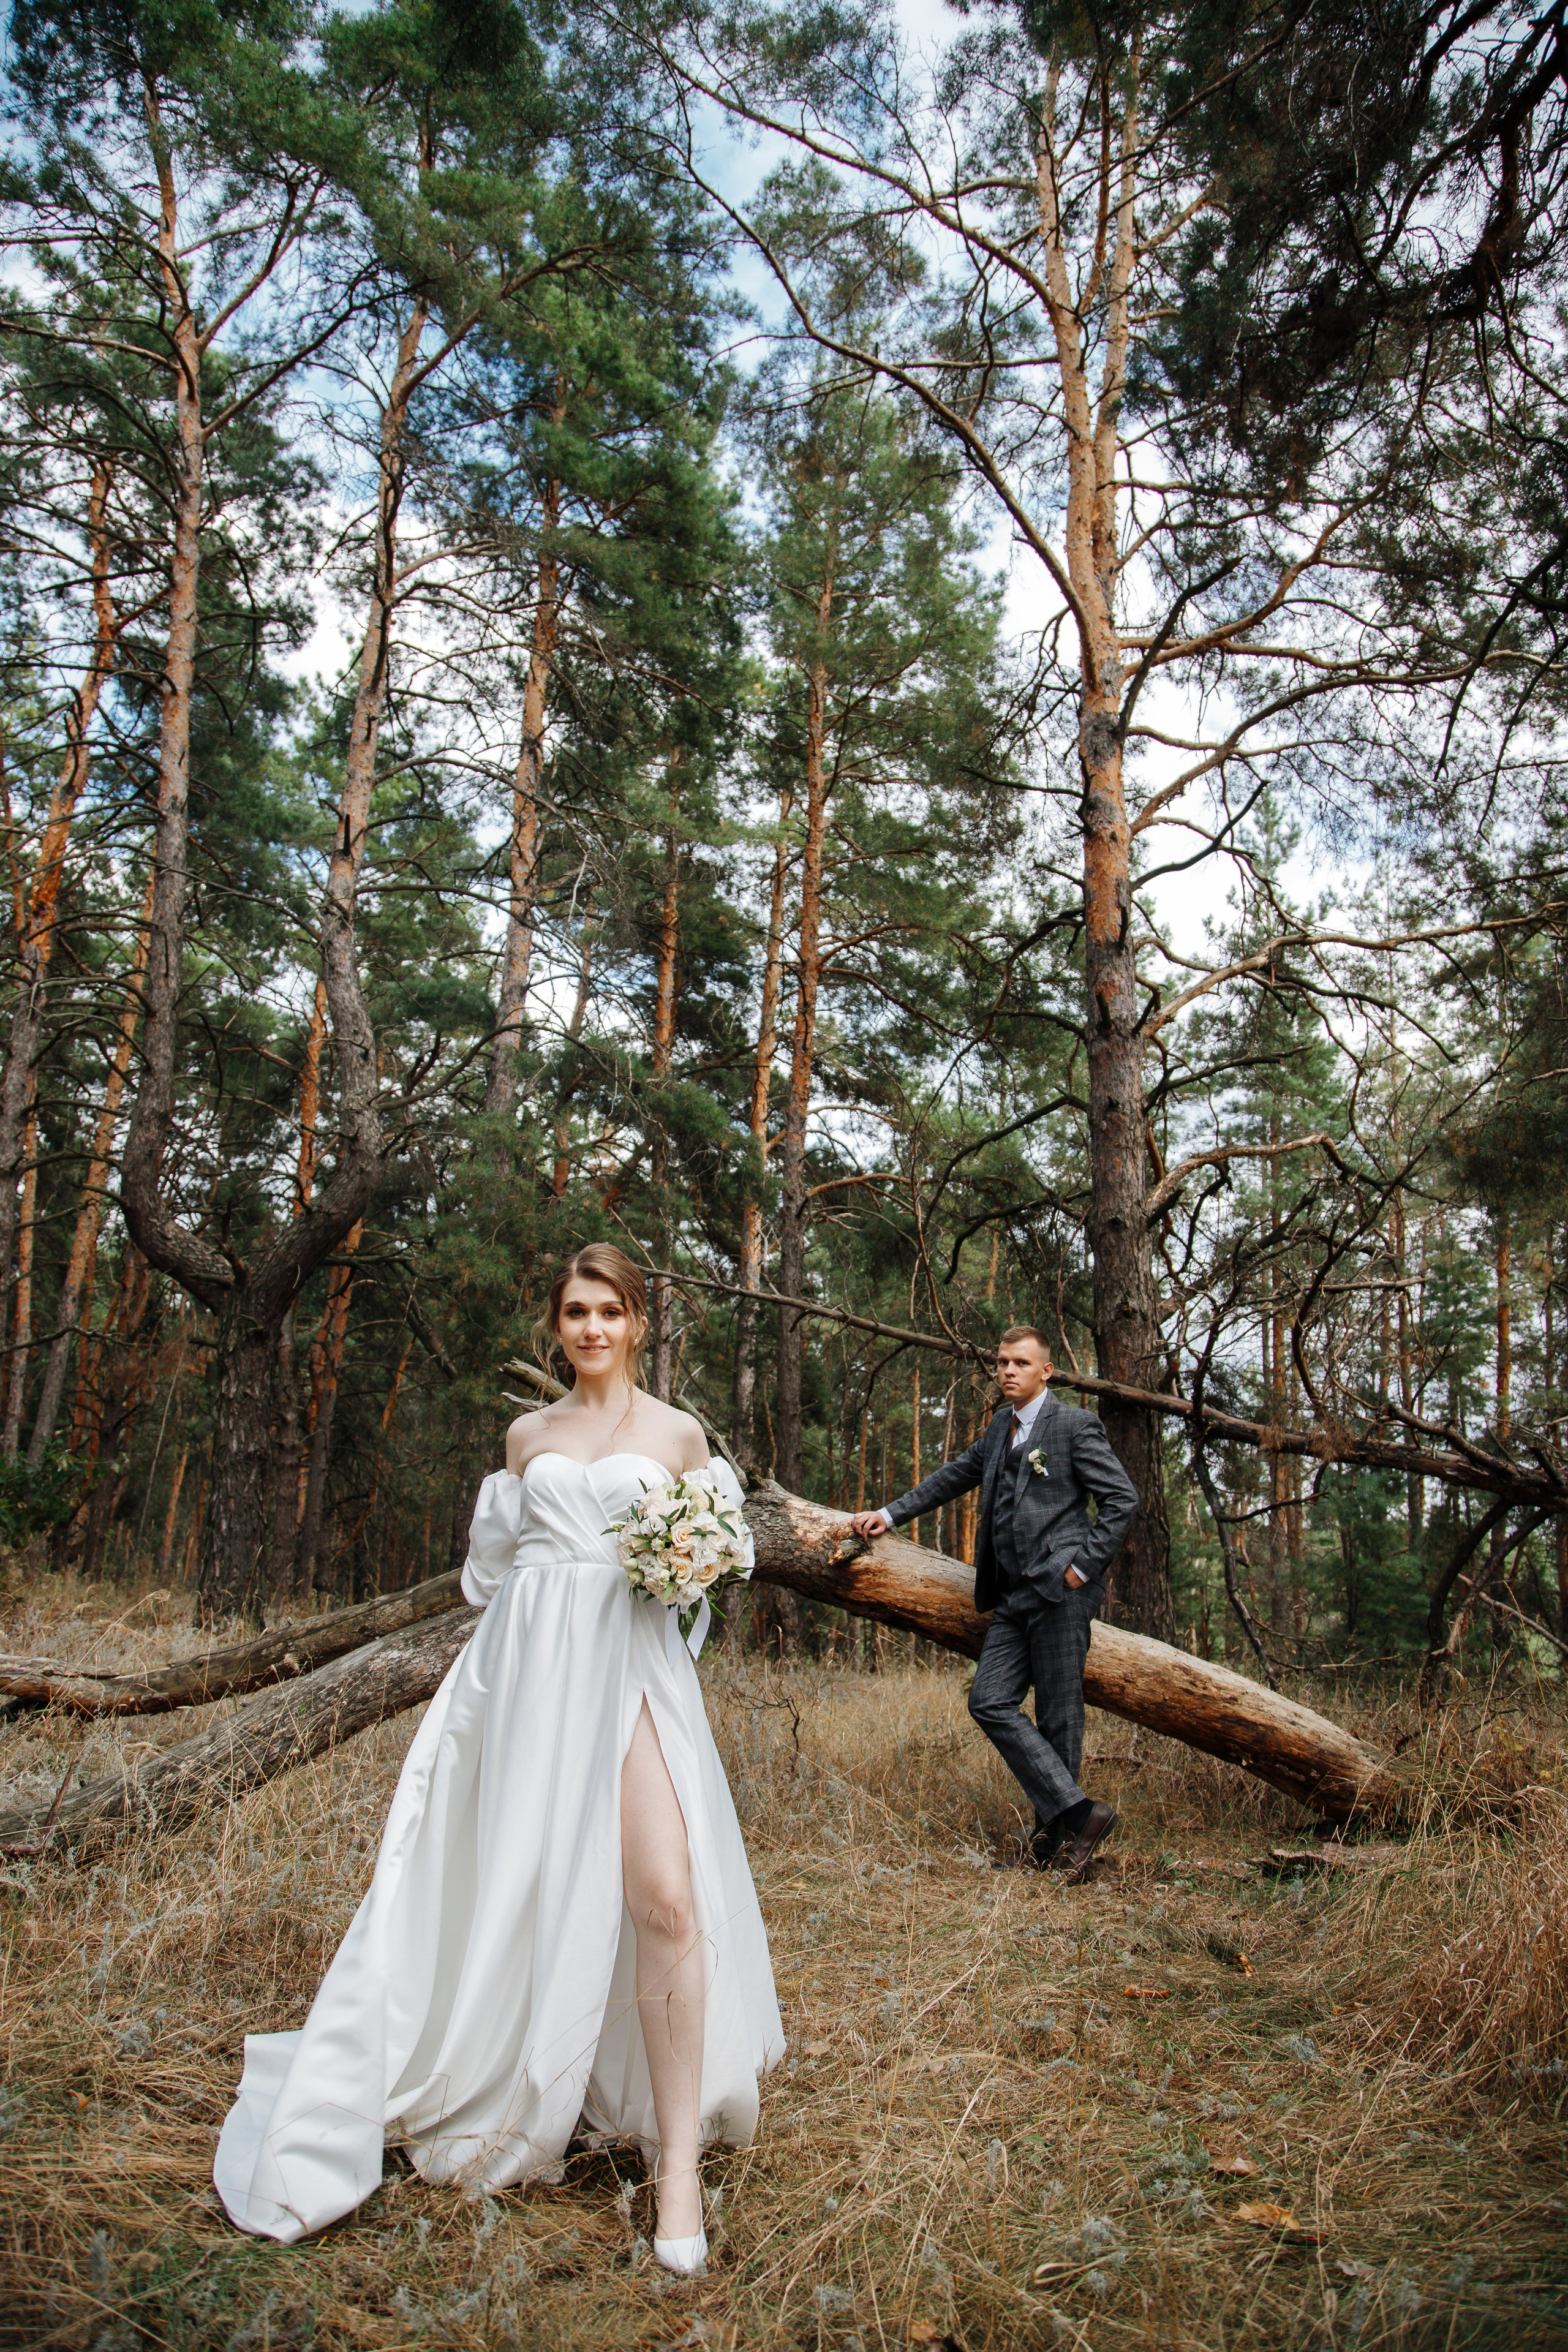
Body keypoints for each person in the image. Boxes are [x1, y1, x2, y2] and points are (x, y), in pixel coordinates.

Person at [215, 1245, 783, 2272]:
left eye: (611, 1310)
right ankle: (526, 2079)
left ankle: (679, 2174)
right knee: (525, 1887)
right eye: (576, 1310)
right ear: (557, 1326)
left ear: (641, 1323)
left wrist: (686, 1566)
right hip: (531, 1677)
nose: (593, 1328)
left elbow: (713, 1561)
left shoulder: (679, 1433)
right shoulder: (529, 1437)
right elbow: (501, 1578)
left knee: (667, 1897)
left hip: (638, 1670)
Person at [850, 1324, 1138, 1880]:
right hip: (1010, 1594)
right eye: (1002, 1362)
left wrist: (1081, 1569)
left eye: (1021, 1363)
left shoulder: (1075, 1425)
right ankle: (1080, 1815)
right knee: (989, 1700)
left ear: (1046, 1371)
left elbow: (1122, 1501)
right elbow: (954, 1476)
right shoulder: (1000, 1426)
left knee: (1059, 1715)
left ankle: (1053, 1845)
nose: (1008, 1371)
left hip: (1060, 1590)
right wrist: (888, 1515)